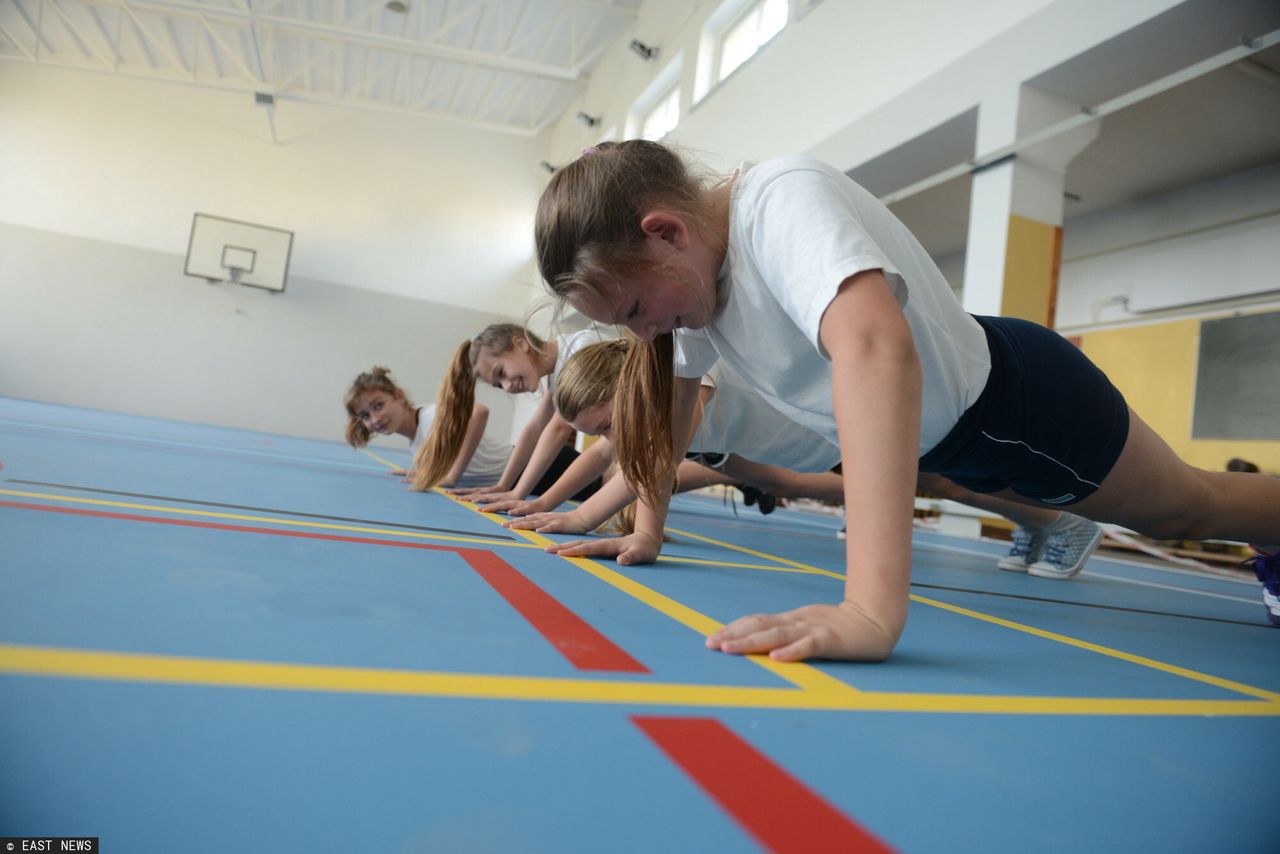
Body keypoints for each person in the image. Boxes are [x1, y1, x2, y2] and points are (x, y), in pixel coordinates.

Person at [532, 140, 1280, 660]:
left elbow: (875, 350)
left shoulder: (778, 202)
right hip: (963, 444)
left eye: (633, 311)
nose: (642, 333)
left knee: (1188, 507)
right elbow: (669, 422)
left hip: (1024, 405)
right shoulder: (693, 293)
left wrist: (869, 608)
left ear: (663, 233)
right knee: (1178, 505)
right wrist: (646, 533)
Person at [495, 338, 847, 534]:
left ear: (630, 386)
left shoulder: (686, 376)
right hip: (780, 449)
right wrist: (542, 503)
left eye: (606, 426)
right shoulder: (640, 406)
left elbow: (658, 461)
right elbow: (599, 455)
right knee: (784, 484)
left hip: (832, 432)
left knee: (889, 479)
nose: (609, 439)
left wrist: (583, 517)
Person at [412, 323, 607, 501]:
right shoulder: (556, 375)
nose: (507, 387)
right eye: (499, 385)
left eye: (502, 373)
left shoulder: (578, 349)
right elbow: (534, 428)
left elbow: (558, 429)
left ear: (521, 343)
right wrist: (503, 486)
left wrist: (518, 493)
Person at [342, 366, 509, 487]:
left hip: (523, 470)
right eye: (365, 416)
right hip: (511, 483)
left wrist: (452, 476)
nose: (375, 418)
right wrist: (432, 472)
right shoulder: (415, 445)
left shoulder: (432, 415)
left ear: (399, 396)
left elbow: (478, 413)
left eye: (378, 405)